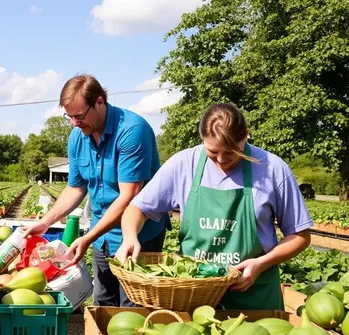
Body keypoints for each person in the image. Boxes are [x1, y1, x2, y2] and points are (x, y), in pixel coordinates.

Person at [115, 103, 313, 310]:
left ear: (246, 135)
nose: (221, 160)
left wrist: (261, 263)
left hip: (253, 296)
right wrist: (130, 236)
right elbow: (137, 209)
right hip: (193, 296)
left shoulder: (272, 169)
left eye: (231, 152)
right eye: (212, 151)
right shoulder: (183, 164)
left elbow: (300, 235)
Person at [22, 74, 170, 307]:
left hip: (137, 237)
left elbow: (129, 196)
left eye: (79, 116)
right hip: (102, 235)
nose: (74, 123)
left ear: (100, 102)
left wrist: (88, 237)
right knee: (103, 303)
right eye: (69, 117)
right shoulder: (78, 137)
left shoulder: (132, 131)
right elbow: (75, 187)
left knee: (132, 309)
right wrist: (46, 221)